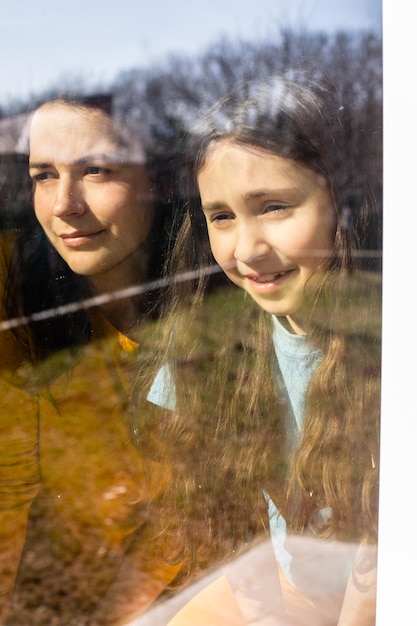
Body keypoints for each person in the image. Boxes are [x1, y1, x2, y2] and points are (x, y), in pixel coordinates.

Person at [145, 74, 381, 625]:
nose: (246, 250)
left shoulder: (386, 358)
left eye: (274, 206)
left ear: (345, 206)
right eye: (222, 216)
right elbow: (231, 521)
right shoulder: (206, 352)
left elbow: (376, 578)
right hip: (278, 590)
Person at [0, 95, 181, 625]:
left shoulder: (222, 303)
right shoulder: (20, 290)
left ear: (160, 182)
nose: (63, 205)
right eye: (43, 175)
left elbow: (204, 519)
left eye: (96, 171)